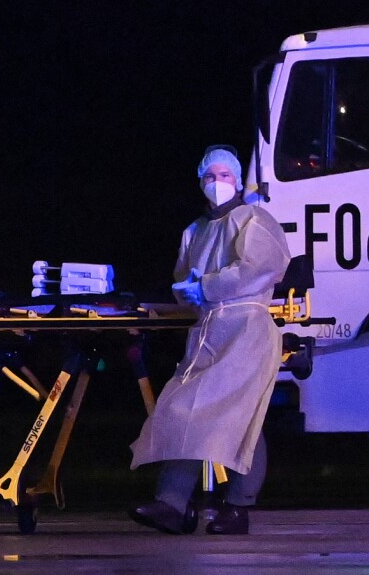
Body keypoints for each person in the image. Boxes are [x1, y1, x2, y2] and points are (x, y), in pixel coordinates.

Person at [129, 145, 291, 536]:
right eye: (209, 176)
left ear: (237, 180)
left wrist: (207, 286)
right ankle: (170, 502)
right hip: (209, 334)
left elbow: (260, 267)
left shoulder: (254, 220)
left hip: (246, 330)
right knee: (184, 410)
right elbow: (183, 281)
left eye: (224, 176)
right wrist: (187, 292)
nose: (217, 183)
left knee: (241, 418)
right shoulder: (194, 232)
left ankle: (237, 507)